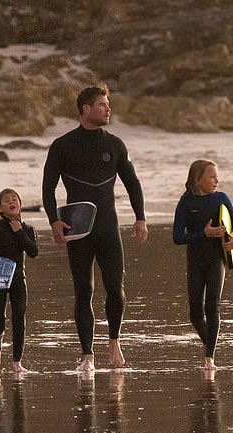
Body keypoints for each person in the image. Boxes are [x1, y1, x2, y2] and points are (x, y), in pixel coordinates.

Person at [42, 83, 148, 371]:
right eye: (102, 104)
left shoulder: (114, 145)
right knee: (83, 290)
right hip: (79, 229)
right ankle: (87, 354)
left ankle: (114, 340)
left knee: (115, 288)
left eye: (107, 103)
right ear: (85, 109)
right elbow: (48, 187)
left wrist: (140, 217)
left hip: (108, 228)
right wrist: (53, 220)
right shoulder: (62, 145)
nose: (108, 108)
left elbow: (133, 183)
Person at [173, 160, 233, 370]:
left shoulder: (221, 198)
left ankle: (209, 357)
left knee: (212, 305)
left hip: (216, 260)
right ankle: (208, 342)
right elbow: (177, 237)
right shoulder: (186, 203)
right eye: (212, 176)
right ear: (197, 179)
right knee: (195, 312)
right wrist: (203, 233)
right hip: (195, 262)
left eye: (216, 176)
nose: (216, 180)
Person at [0, 188, 38, 373]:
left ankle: (16, 362)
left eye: (15, 200)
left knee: (19, 317)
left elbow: (33, 253)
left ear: (20, 205)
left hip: (19, 278)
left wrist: (19, 233)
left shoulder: (27, 229)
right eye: (6, 200)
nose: (11, 202)